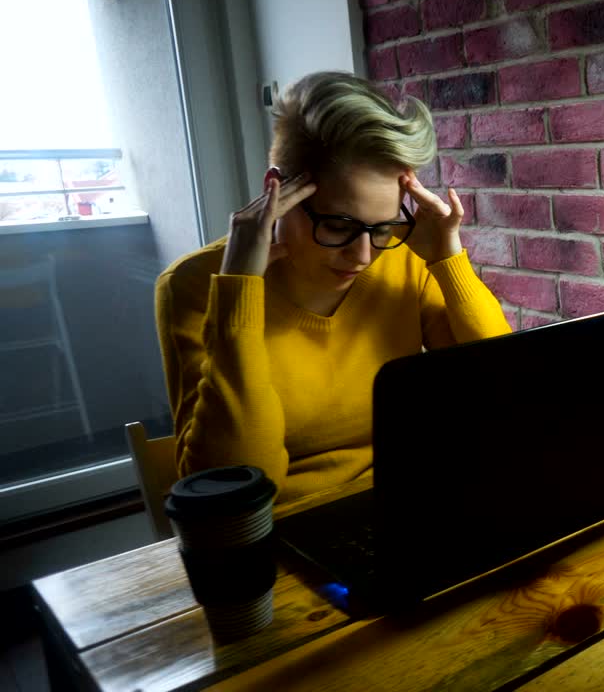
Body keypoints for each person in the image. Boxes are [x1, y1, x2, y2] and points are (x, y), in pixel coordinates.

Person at [155, 71, 511, 502]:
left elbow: (504, 394)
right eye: (339, 226)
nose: (363, 255)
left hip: (406, 501)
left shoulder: (403, 256)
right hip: (278, 523)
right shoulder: (194, 285)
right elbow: (237, 488)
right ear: (277, 190)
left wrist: (448, 260)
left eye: (383, 227)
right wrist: (239, 292)